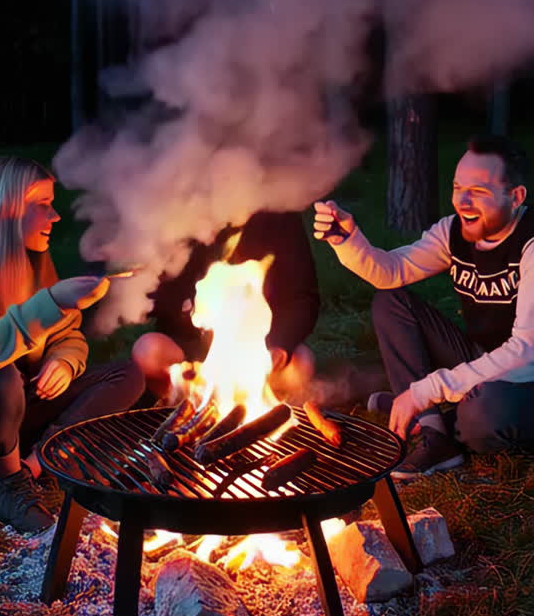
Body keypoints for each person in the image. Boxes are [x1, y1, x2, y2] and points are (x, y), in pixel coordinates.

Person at [0, 156, 145, 533]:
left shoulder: (33, 264)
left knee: (127, 374)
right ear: (7, 209)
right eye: (42, 205)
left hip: (14, 407)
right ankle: (7, 484)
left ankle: (40, 461)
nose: (55, 216)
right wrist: (52, 302)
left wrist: (64, 362)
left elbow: (69, 336)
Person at [313, 134, 534, 481]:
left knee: (485, 418)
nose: (462, 201)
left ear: (516, 196)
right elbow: (392, 272)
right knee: (393, 302)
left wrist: (423, 391)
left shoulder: (531, 242)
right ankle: (435, 434)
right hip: (481, 356)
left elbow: (525, 352)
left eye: (477, 191)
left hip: (527, 375)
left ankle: (439, 416)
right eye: (457, 187)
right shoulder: (455, 232)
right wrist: (349, 241)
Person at [132, 210, 320, 402]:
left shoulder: (280, 212)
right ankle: (181, 405)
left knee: (300, 365)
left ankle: (261, 409)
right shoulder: (182, 206)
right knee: (148, 350)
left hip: (257, 346)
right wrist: (182, 302)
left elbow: (302, 297)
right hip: (188, 348)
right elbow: (153, 295)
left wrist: (280, 345)